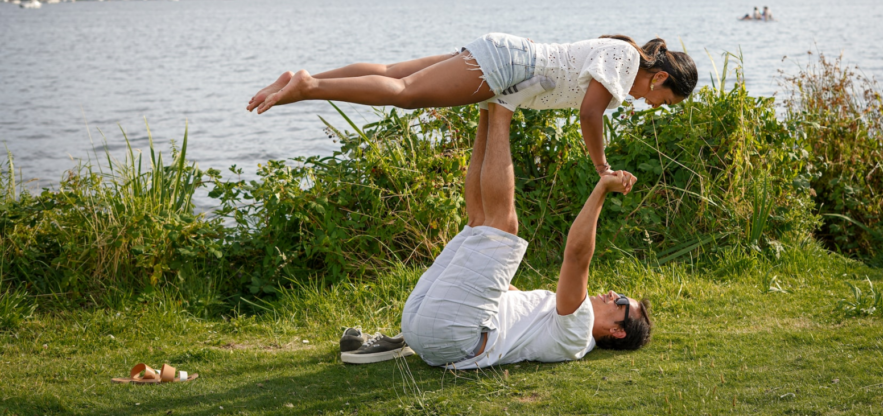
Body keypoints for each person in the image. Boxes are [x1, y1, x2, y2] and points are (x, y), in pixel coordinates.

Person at [399, 104, 651, 369]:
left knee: (503, 228)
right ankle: (488, 106)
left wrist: (602, 189)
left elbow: (577, 258)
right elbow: (503, 293)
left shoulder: (578, 333)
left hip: (453, 335)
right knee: (479, 225)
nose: (612, 293)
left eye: (620, 301)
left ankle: (504, 105)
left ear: (617, 332)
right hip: (425, 327)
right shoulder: (555, 316)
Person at [247, 33, 697, 177]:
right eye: (663, 99)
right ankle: (308, 86)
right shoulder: (624, 60)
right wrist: (601, 166)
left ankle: (307, 78)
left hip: (506, 55)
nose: (654, 105)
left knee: (393, 73)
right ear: (660, 76)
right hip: (507, 64)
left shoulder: (620, 60)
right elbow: (589, 114)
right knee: (406, 96)